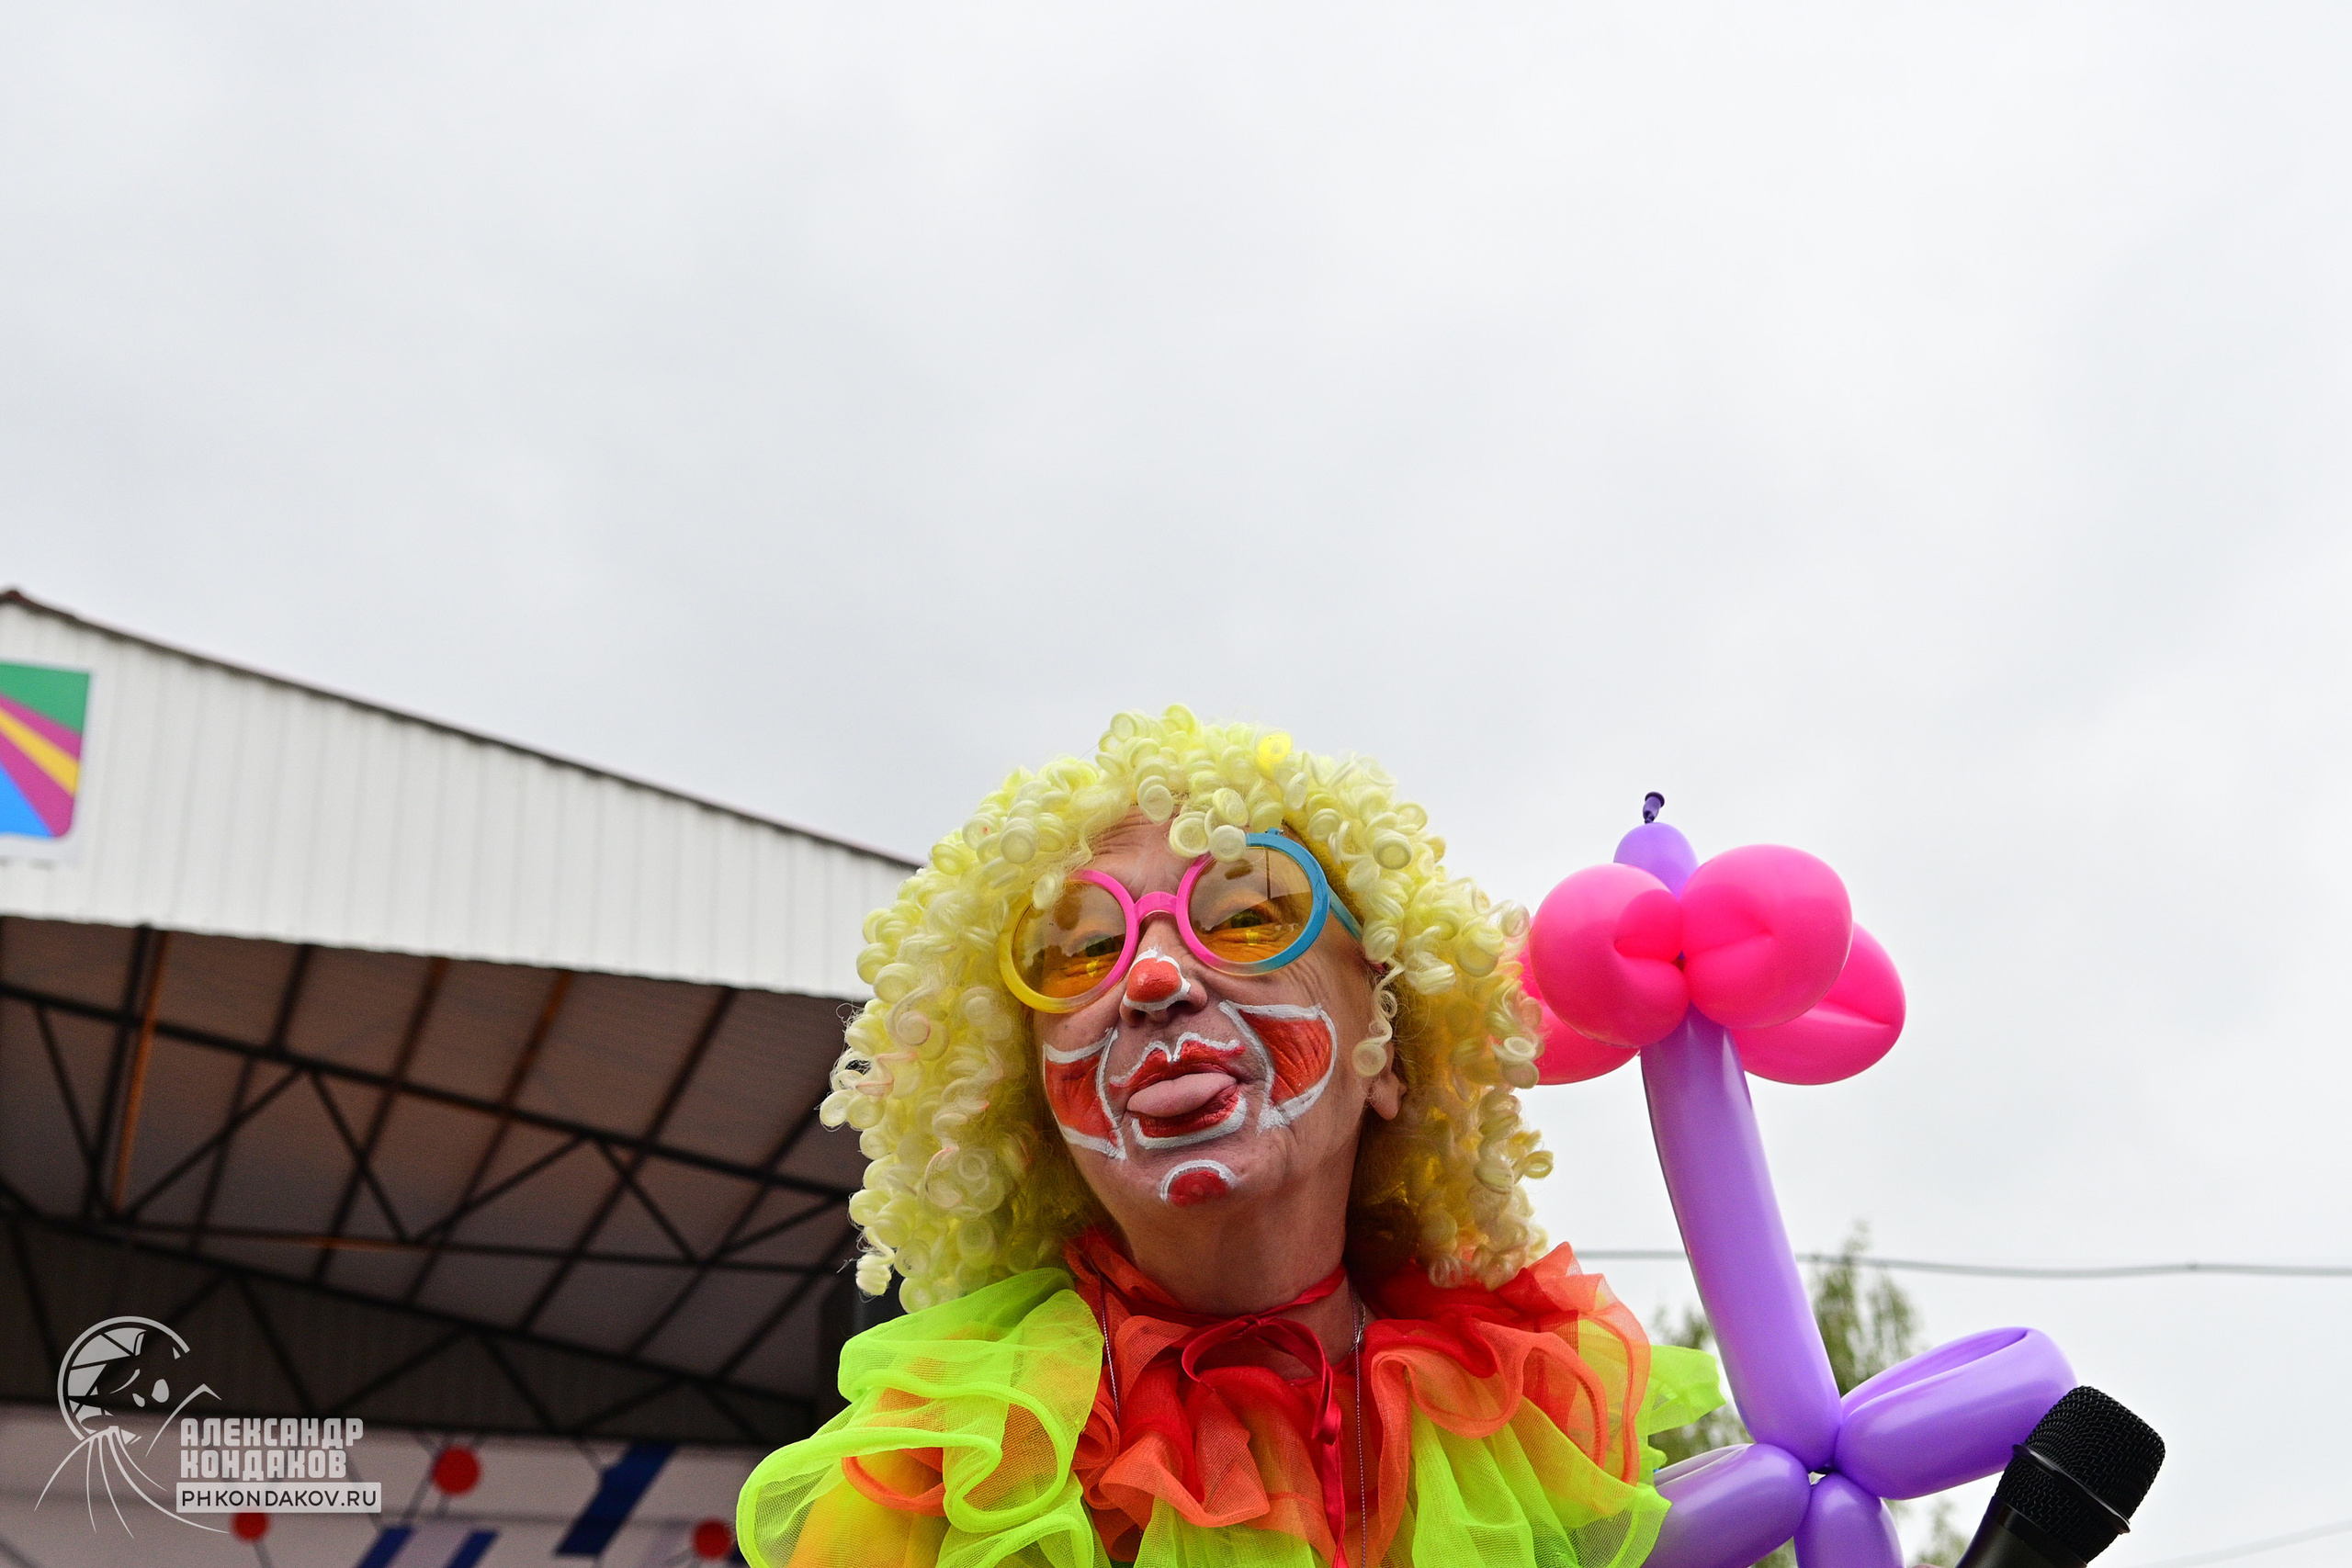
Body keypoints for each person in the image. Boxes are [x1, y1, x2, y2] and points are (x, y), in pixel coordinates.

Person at [738, 709, 1723, 1568]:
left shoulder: (1520, 1419)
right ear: (1024, 1100)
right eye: (1084, 949)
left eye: (1247, 919)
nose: (1153, 980)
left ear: (1389, 1052)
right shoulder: (951, 1461)